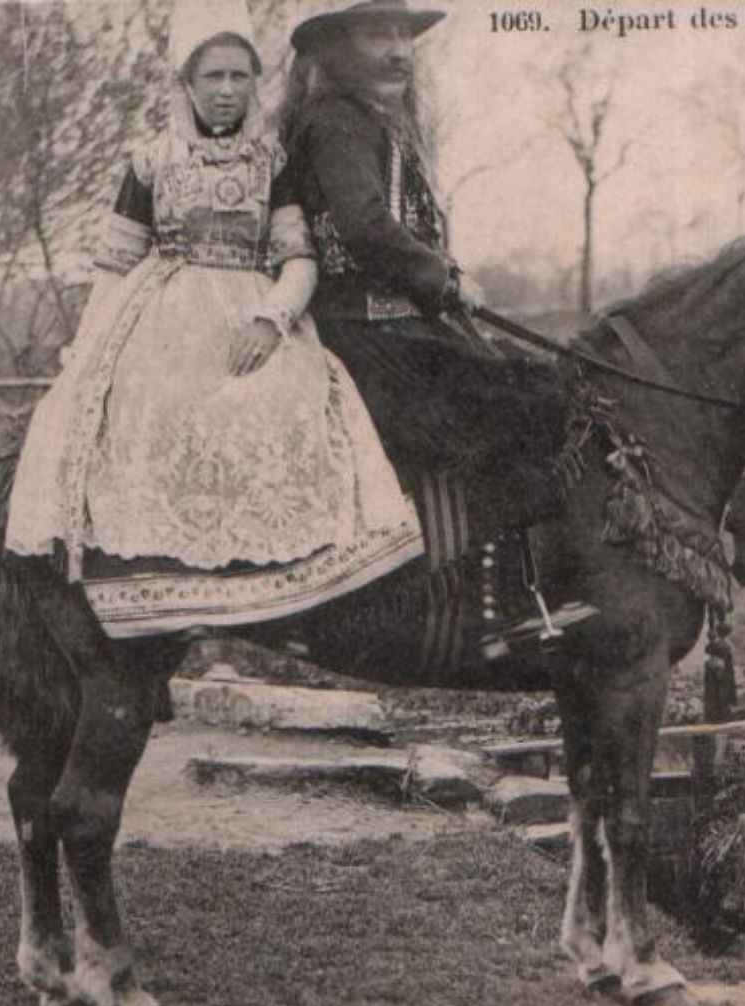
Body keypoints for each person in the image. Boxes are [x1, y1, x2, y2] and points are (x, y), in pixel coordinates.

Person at [5, 0, 422, 639]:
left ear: (256, 84)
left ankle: (274, 584)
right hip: (161, 315)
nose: (227, 92)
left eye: (240, 77)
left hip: (254, 308)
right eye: (213, 77)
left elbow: (299, 259)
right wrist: (85, 356)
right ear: (186, 85)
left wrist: (270, 320)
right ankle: (152, 570)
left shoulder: (271, 162)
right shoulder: (150, 162)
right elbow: (116, 265)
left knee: (290, 401)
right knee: (147, 406)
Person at [281, 0, 586, 647]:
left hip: (405, 328)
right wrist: (442, 279)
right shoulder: (334, 120)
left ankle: (523, 586)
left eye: (403, 34)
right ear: (335, 49)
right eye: (377, 33)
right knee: (503, 413)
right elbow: (365, 227)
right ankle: (494, 605)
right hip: (363, 334)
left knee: (538, 388)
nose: (398, 50)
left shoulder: (378, 122)